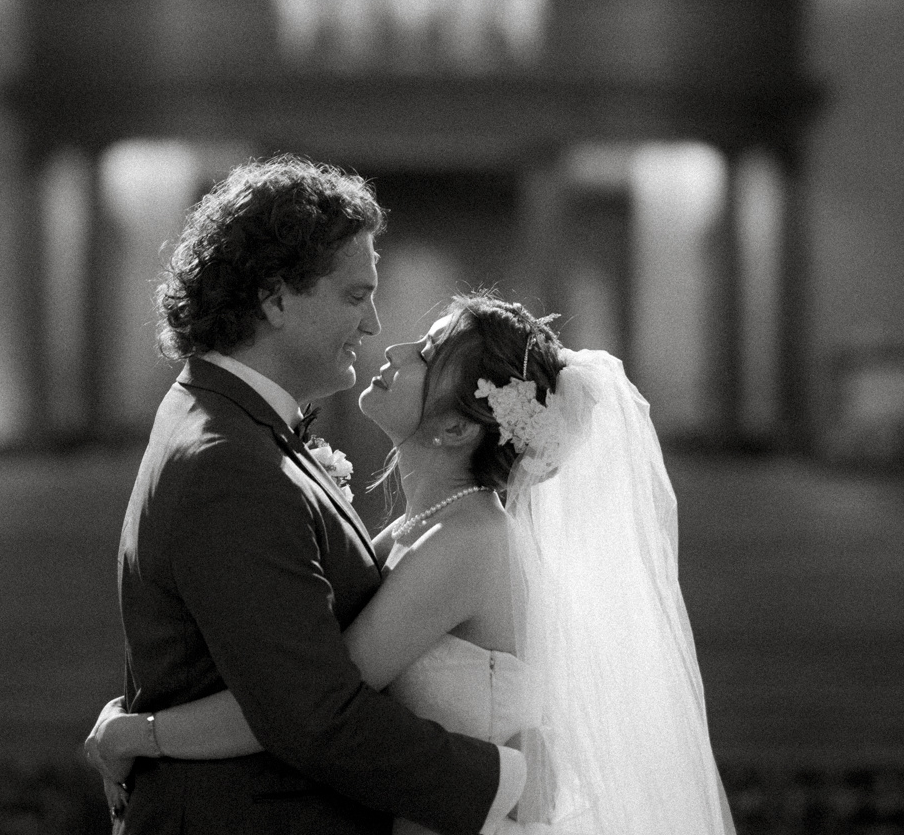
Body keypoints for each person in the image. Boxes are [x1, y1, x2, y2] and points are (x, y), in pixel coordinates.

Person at [90, 281, 737, 835]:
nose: (395, 348)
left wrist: (137, 733)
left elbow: (304, 706)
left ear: (456, 429)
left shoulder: (470, 543)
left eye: (427, 354)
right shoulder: (422, 527)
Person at [98, 156, 525, 835]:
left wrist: (143, 730)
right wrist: (510, 783)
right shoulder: (230, 465)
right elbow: (314, 713)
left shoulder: (231, 425)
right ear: (274, 299)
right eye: (356, 296)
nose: (374, 325)